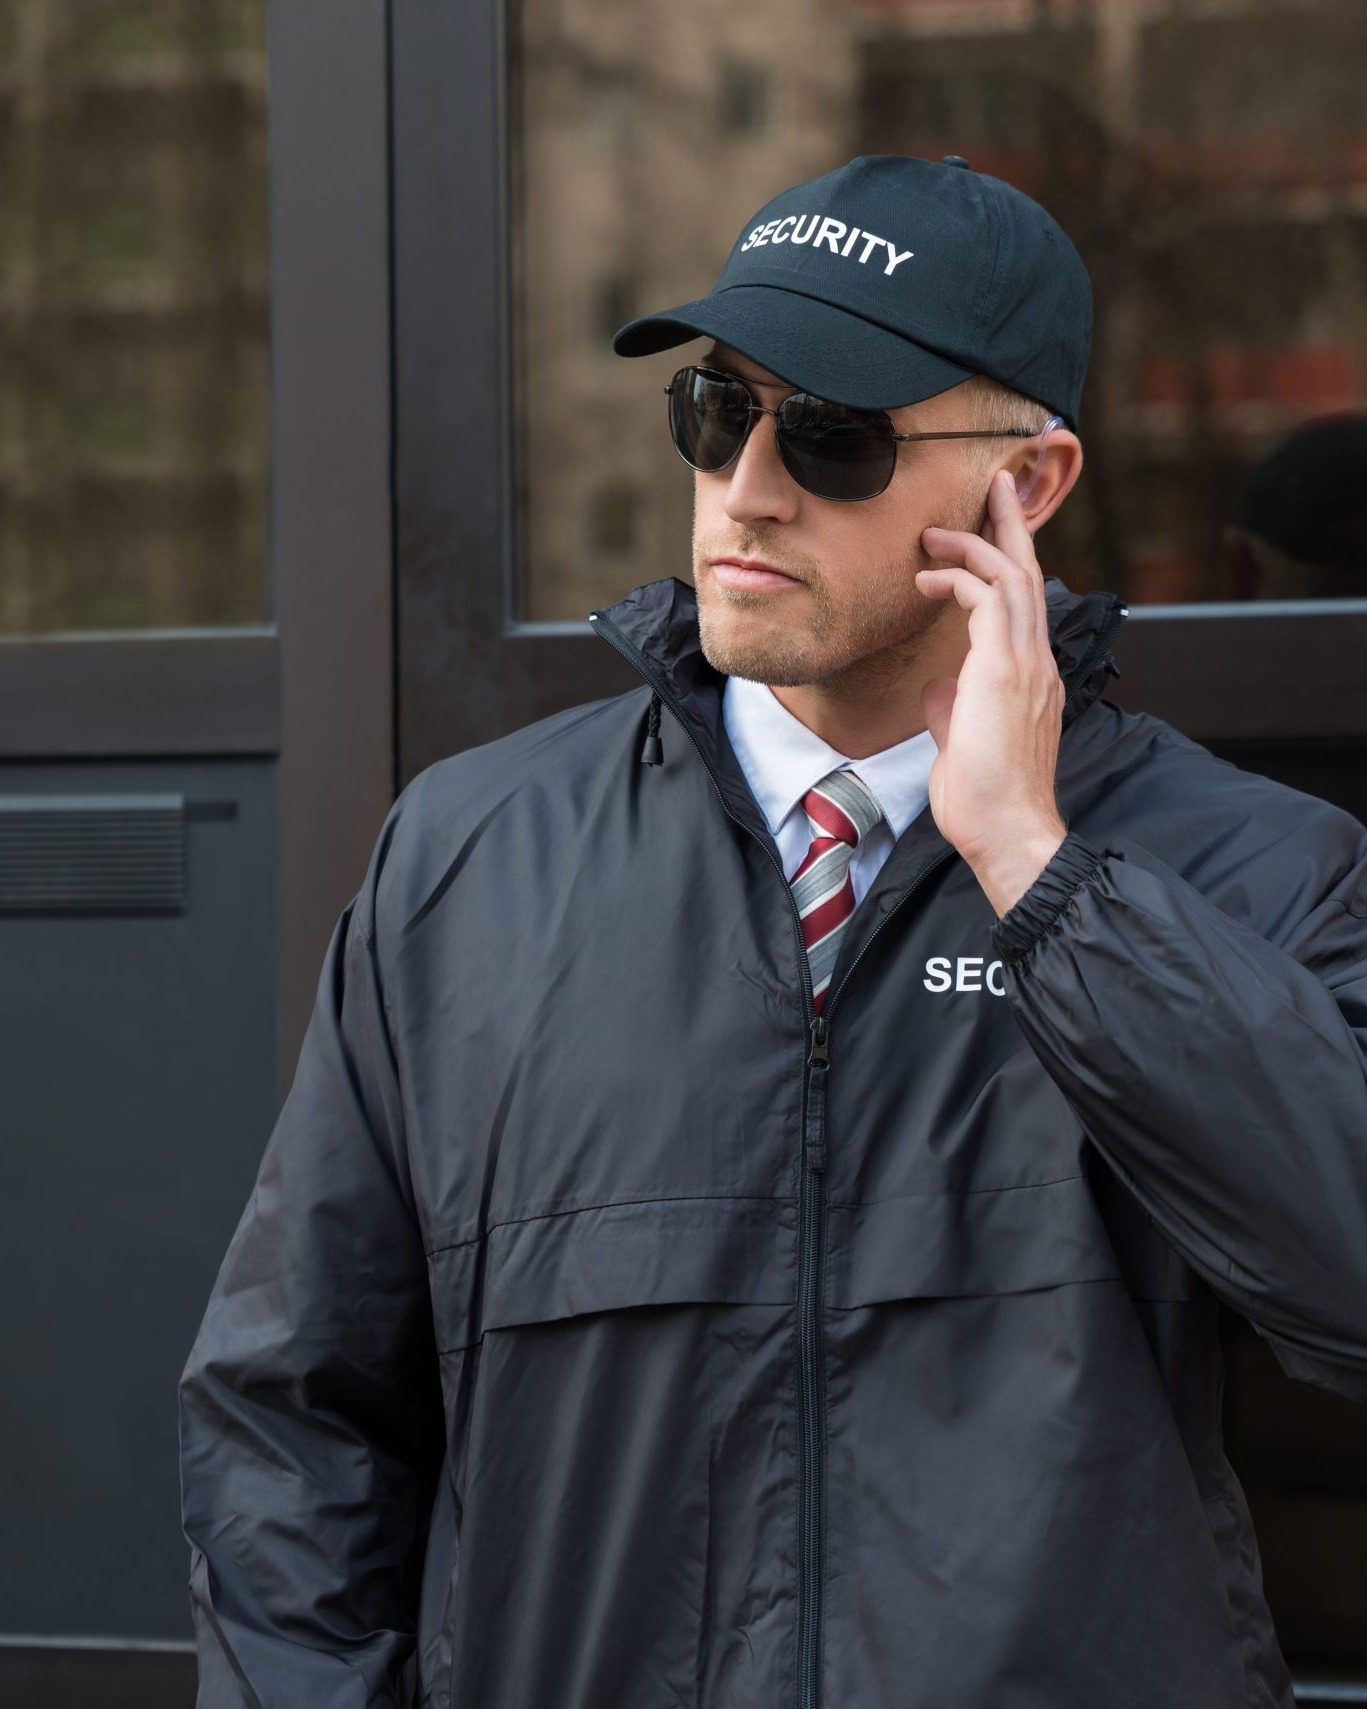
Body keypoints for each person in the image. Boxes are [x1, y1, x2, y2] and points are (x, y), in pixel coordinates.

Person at [178, 154, 1367, 1709]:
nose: (748, 486)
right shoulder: (469, 861)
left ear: (1030, 484)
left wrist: (1038, 870)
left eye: (834, 433)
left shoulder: (1242, 872)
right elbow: (289, 1418)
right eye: (717, 410)